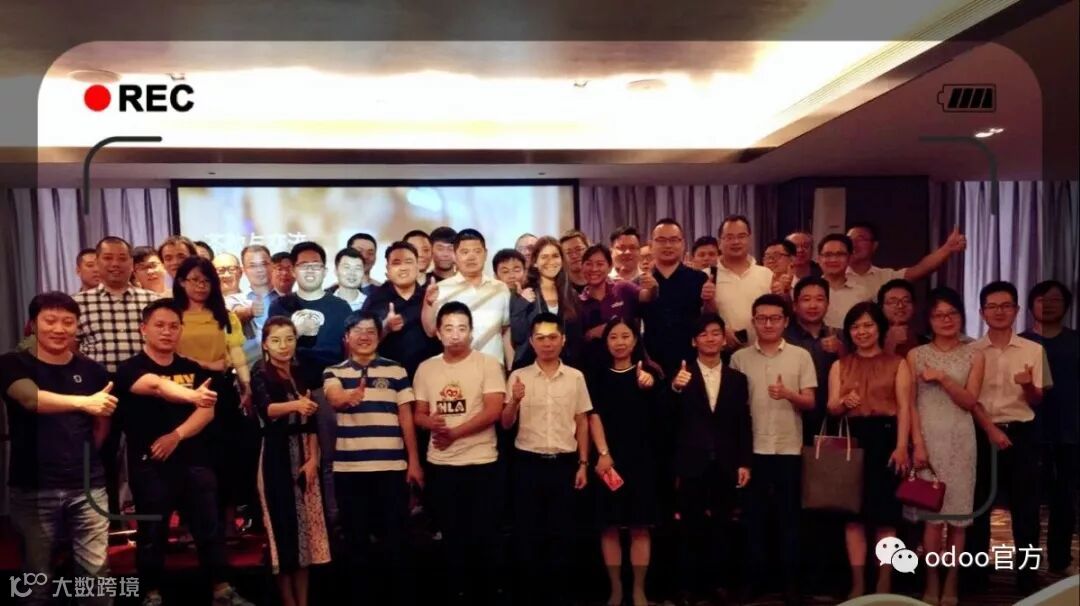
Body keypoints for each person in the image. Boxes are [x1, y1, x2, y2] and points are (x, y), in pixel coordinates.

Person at [115, 298, 254, 606]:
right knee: (152, 533)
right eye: (160, 325)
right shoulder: (130, 369)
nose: (167, 332)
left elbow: (207, 412)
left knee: (209, 530)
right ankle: (151, 594)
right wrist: (192, 397)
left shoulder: (191, 368)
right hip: (150, 464)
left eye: (174, 326)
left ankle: (222, 590)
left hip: (195, 461)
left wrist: (176, 436)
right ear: (143, 329)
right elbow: (155, 386)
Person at [2, 292, 115, 606]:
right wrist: (84, 402)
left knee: (96, 577)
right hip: (33, 487)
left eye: (68, 322)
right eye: (50, 320)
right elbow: (31, 399)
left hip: (88, 487)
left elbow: (101, 426)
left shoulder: (93, 370)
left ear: (77, 326)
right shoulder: (12, 363)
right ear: (32, 324)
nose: (59, 328)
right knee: (37, 578)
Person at [501, 312, 611, 606]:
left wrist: (583, 464)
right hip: (527, 464)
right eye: (540, 338)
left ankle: (560, 596)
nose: (547, 343)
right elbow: (506, 424)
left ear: (562, 340)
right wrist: (514, 401)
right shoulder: (518, 376)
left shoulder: (576, 377)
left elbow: (582, 421)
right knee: (528, 535)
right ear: (531, 341)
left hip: (565, 465)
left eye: (552, 337)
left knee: (563, 534)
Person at [323, 312, 422, 605]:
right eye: (358, 330)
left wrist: (414, 461)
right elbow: (334, 397)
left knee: (396, 540)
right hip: (350, 469)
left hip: (391, 467)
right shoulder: (333, 371)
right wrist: (348, 397)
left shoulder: (396, 370)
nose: (364, 336)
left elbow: (406, 417)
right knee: (356, 542)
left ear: (379, 336)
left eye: (370, 331)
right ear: (346, 338)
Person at [413, 302, 506, 605]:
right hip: (441, 464)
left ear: (471, 332)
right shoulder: (426, 368)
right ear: (438, 333)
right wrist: (430, 422)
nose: (455, 335)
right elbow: (418, 413)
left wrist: (454, 432)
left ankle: (486, 593)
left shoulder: (488, 364)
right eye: (449, 328)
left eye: (462, 328)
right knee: (451, 535)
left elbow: (493, 411)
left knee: (484, 534)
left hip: (481, 462)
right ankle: (457, 592)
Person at [966, 281, 1052, 595]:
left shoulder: (1034, 350)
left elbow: (1038, 399)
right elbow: (969, 399)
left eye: (1005, 306)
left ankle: (1027, 579)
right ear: (981, 312)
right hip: (981, 432)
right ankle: (975, 578)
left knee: (1026, 510)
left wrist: (1027, 385)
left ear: (1016, 310)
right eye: (992, 306)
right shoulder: (971, 351)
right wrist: (989, 429)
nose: (999, 312)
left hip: (1022, 433)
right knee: (977, 508)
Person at [730, 294, 816, 605]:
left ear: (785, 321)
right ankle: (753, 583)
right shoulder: (739, 358)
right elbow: (733, 408)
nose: (768, 324)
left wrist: (789, 394)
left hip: (788, 448)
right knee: (753, 520)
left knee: (789, 520)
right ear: (753, 321)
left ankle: (790, 585)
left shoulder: (800, 356)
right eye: (762, 318)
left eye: (775, 318)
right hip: (751, 450)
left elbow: (811, 402)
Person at [827, 301, 913, 598]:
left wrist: (901, 446)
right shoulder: (840, 364)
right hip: (853, 442)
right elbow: (831, 407)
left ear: (880, 328)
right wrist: (843, 402)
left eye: (867, 325)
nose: (861, 332)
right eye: (855, 327)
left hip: (886, 440)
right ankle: (858, 582)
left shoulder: (898, 363)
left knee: (886, 517)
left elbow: (905, 408)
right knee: (853, 517)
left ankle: (884, 581)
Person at [905, 287, 985, 606]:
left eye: (952, 313)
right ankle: (932, 580)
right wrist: (917, 443)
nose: (946, 320)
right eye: (939, 315)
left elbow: (969, 401)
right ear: (929, 319)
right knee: (932, 520)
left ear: (961, 316)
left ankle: (952, 580)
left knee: (958, 519)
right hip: (927, 441)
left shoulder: (974, 355)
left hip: (961, 440)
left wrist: (943, 378)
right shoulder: (916, 355)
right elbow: (910, 405)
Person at [73, 236, 160, 523]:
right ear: (97, 262)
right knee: (103, 456)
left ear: (131, 264)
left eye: (122, 258)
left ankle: (148, 523)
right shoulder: (78, 304)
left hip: (143, 389)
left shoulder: (151, 301)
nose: (115, 264)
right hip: (100, 391)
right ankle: (107, 521)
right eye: (108, 258)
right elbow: (72, 350)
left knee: (145, 457)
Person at [670, 313, 751, 606]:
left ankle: (719, 585)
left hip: (726, 462)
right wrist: (675, 388)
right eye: (703, 334)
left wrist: (744, 462)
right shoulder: (682, 375)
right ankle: (688, 588)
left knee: (722, 526)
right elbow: (669, 420)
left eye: (716, 332)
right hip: (691, 462)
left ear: (723, 339)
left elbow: (743, 423)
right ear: (694, 341)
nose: (710, 338)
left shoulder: (738, 379)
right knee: (689, 527)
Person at [172, 256, 254, 536]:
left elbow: (236, 353)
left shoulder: (224, 315)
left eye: (207, 281)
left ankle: (228, 521)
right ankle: (188, 524)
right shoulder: (172, 315)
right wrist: (205, 364)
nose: (201, 286)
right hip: (181, 389)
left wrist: (246, 385)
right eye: (194, 280)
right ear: (181, 282)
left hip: (220, 391)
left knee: (226, 456)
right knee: (188, 457)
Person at [251, 317, 330, 606]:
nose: (283, 346)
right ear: (265, 345)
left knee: (305, 538)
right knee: (284, 536)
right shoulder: (261, 372)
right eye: (275, 340)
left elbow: (312, 422)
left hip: (305, 456)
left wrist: (313, 459)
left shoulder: (301, 372)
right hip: (275, 455)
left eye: (289, 339)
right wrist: (297, 404)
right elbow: (267, 409)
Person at [587, 317, 662, 606]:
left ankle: (639, 589)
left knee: (640, 526)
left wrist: (651, 386)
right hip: (608, 460)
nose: (620, 342)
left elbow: (663, 419)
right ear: (606, 342)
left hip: (643, 461)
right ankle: (616, 589)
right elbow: (593, 415)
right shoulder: (597, 375)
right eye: (613, 337)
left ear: (635, 339)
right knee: (609, 526)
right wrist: (603, 453)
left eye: (625, 336)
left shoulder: (649, 374)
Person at [1020, 280, 1079, 576]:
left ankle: (1060, 559)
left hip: (1071, 430)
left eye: (1055, 299)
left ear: (1066, 305)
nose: (1049, 304)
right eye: (1042, 299)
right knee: (1027, 503)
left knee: (1065, 499)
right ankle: (1028, 564)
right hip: (1029, 431)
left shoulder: (1075, 341)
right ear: (1031, 305)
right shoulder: (1020, 343)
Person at [422, 229, 513, 369]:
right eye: (465, 252)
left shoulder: (500, 288)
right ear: (454, 255)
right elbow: (430, 331)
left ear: (485, 254)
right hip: (455, 370)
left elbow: (506, 332)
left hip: (494, 370)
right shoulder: (440, 289)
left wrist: (511, 369)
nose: (471, 257)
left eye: (477, 251)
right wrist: (429, 303)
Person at [268, 242, 353, 389]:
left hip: (333, 385)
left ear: (324, 271)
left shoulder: (341, 307)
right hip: (290, 386)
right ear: (293, 271)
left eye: (315, 265)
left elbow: (349, 351)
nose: (310, 270)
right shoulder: (279, 306)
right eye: (303, 265)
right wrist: (297, 332)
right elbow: (271, 348)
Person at [640, 218, 711, 378]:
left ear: (683, 244)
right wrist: (645, 359)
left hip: (691, 363)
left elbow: (708, 319)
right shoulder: (640, 282)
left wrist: (710, 299)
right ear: (651, 245)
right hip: (651, 366)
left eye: (673, 240)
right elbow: (634, 327)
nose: (668, 245)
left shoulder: (699, 279)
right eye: (661, 240)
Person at [360, 241, 439, 378]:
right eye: (396, 263)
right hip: (385, 378)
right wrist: (386, 328)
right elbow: (363, 342)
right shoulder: (374, 300)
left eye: (408, 262)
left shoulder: (430, 296)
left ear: (417, 266)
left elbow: (433, 332)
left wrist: (430, 304)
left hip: (427, 376)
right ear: (388, 269)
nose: (403, 268)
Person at [783, 277, 842, 445]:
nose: (813, 305)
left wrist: (841, 350)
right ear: (795, 305)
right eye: (806, 299)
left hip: (830, 420)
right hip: (791, 418)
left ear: (828, 304)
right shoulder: (783, 338)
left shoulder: (840, 336)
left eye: (820, 299)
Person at [510, 236, 584, 369]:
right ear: (535, 262)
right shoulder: (524, 293)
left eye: (555, 256)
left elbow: (577, 337)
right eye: (544, 257)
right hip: (530, 368)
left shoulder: (571, 295)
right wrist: (522, 303)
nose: (551, 261)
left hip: (565, 368)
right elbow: (518, 336)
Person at [845, 222, 967, 297]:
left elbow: (920, 270)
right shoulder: (837, 277)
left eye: (860, 239)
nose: (853, 244)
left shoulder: (885, 277)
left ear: (874, 245)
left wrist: (947, 248)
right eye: (849, 240)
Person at [714, 216, 774, 346]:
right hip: (721, 350)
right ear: (719, 242)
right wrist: (720, 329)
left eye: (741, 236)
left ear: (749, 239)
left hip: (761, 349)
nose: (736, 242)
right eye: (729, 237)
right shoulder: (707, 275)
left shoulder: (766, 274)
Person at [579, 244, 653, 345]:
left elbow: (648, 296)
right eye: (589, 264)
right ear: (582, 267)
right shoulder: (577, 302)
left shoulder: (623, 288)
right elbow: (574, 340)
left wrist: (653, 287)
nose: (594, 269)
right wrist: (590, 334)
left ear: (610, 267)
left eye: (600, 264)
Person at [816, 234, 872, 329]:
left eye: (840, 254)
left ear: (850, 258)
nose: (833, 259)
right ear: (819, 259)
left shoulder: (863, 293)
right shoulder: (809, 290)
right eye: (828, 255)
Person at [238, 244, 276, 367]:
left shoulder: (287, 299)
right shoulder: (237, 301)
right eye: (252, 266)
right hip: (248, 369)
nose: (259, 270)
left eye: (264, 264)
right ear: (244, 270)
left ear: (272, 266)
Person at [878, 279, 928, 356]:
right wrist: (890, 345)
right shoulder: (870, 341)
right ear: (881, 307)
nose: (900, 306)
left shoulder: (926, 344)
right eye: (893, 302)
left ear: (914, 306)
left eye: (906, 301)